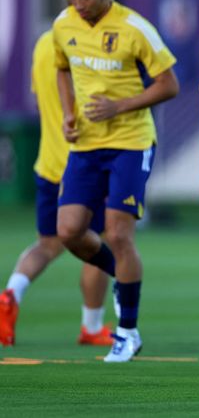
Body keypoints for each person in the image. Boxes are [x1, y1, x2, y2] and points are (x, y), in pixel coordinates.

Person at [53, 0, 180, 362]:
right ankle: (123, 278)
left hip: (131, 142)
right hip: (85, 145)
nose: (78, 5)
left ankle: (127, 331)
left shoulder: (134, 28)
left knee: (119, 232)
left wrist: (118, 106)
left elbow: (169, 85)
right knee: (69, 231)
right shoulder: (64, 25)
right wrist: (69, 114)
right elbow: (61, 68)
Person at [0, 31, 112, 348]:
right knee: (100, 246)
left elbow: (38, 98)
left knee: (47, 245)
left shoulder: (44, 44)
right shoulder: (92, 47)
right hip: (84, 166)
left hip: (48, 163)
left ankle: (11, 294)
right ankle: (91, 326)